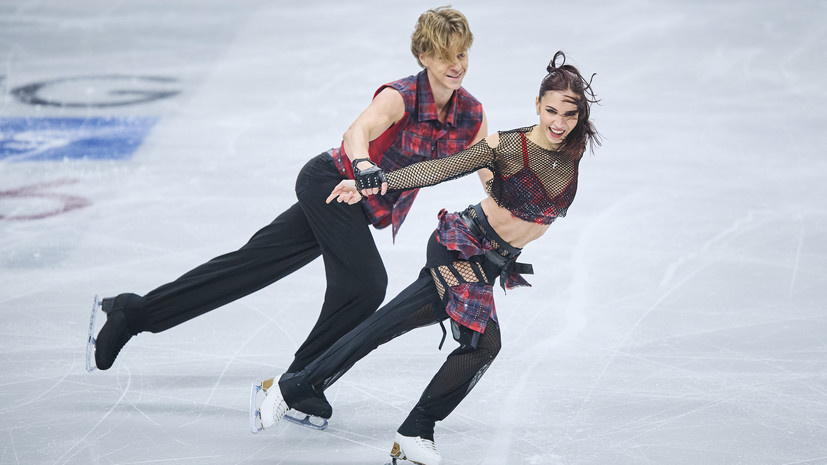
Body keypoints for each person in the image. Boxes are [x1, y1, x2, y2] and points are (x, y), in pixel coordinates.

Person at [88, 6, 487, 425]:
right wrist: (364, 165)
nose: (455, 65)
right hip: (328, 184)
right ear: (423, 56)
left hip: (355, 206)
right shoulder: (400, 96)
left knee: (249, 266)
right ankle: (301, 381)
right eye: (445, 55)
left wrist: (514, 205)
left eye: (461, 55)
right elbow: (357, 133)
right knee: (367, 285)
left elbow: (486, 163)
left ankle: (134, 313)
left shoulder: (470, 113)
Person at [252, 51, 601, 465]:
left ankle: (310, 393)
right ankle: (391, 422)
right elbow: (438, 169)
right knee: (481, 341)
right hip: (463, 243)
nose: (558, 123)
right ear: (537, 106)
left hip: (490, 264)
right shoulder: (508, 146)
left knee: (402, 326)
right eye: (550, 111)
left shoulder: (573, 150)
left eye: (569, 114)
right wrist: (374, 184)